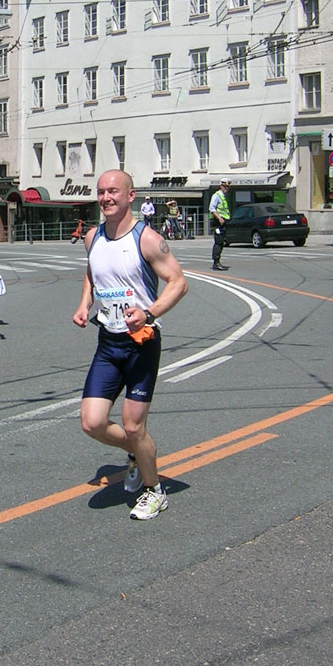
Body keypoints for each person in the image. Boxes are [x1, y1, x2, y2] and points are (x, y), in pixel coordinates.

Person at [72, 170, 187, 520]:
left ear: (131, 196)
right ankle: (139, 451)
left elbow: (178, 282)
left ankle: (155, 491)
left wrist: (149, 313)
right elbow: (92, 271)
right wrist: (85, 303)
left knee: (134, 425)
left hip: (141, 342)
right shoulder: (92, 237)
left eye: (113, 192)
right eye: (101, 192)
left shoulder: (147, 239)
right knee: (92, 423)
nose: (106, 198)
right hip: (108, 341)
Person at [209, 178, 231, 271]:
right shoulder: (217, 195)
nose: (226, 188)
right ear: (221, 186)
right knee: (218, 242)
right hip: (218, 222)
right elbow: (212, 208)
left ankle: (218, 262)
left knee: (221, 242)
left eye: (227, 187)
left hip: (223, 222)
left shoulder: (224, 196)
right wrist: (219, 218)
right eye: (225, 186)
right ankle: (216, 263)